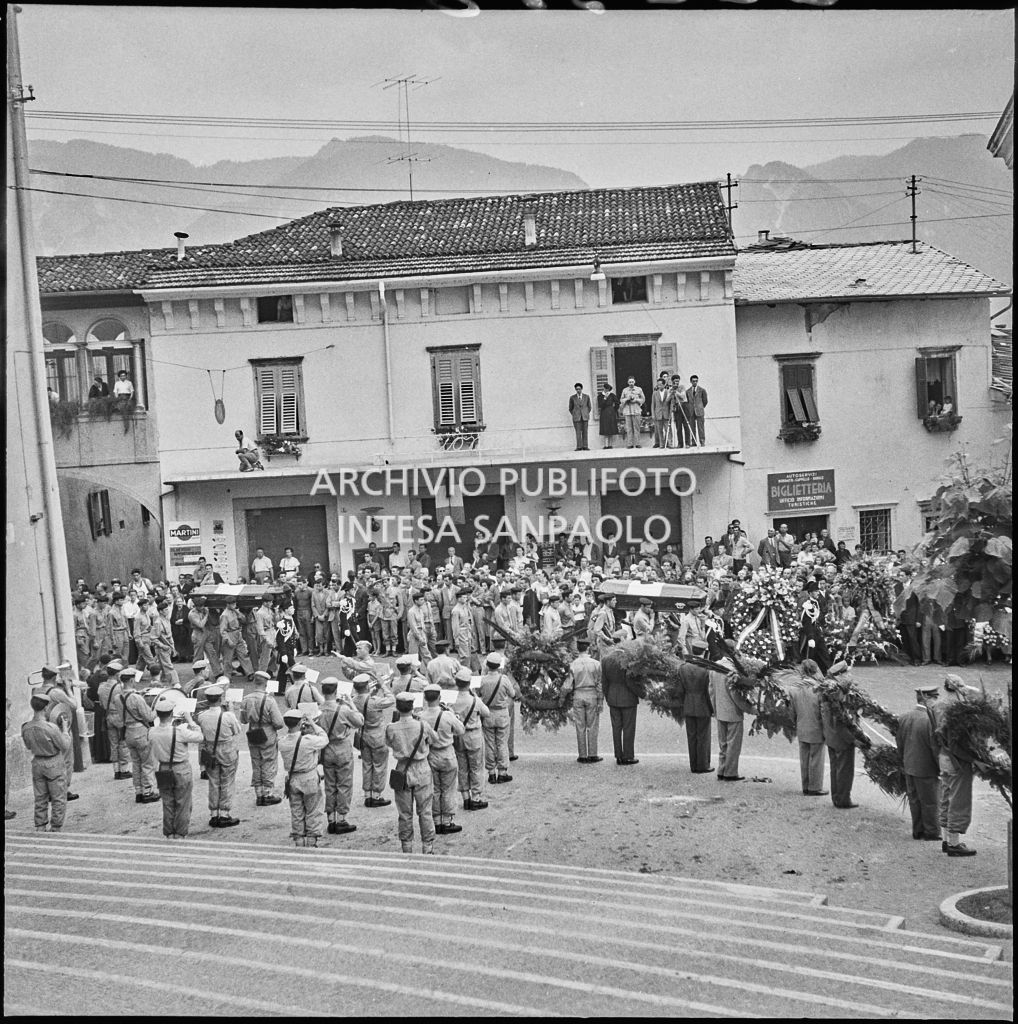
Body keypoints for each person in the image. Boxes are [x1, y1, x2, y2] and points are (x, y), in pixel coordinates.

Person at [385, 691, 440, 854]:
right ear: (412, 707)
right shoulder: (422, 725)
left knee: (404, 812)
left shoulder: (391, 727)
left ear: (397, 707)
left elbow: (388, 743)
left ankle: (406, 846)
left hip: (402, 768)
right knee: (425, 810)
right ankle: (427, 846)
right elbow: (435, 739)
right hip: (421, 768)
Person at [931, 674, 980, 856]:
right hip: (957, 758)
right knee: (958, 800)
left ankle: (945, 840)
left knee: (945, 796)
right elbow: (958, 740)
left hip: (943, 756)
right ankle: (954, 844)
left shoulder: (938, 705)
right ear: (958, 687)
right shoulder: (957, 708)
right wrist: (972, 757)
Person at [149, 697, 205, 839]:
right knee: (183, 802)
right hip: (180, 768)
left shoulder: (152, 732)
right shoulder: (180, 732)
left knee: (167, 802)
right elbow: (200, 737)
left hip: (163, 768)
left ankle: (169, 832)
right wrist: (191, 721)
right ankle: (180, 832)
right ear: (171, 714)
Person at [895, 684, 942, 841]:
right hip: (926, 768)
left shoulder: (904, 717)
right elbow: (934, 747)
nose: (936, 702)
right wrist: (940, 767)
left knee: (914, 800)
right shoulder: (930, 720)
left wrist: (903, 760)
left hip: (909, 765)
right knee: (930, 802)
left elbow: (899, 743)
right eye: (934, 698)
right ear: (927, 698)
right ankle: (932, 832)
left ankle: (918, 830)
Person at [819, 662, 869, 809]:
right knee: (844, 772)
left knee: (835, 769)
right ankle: (843, 799)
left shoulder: (826, 694)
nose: (849, 676)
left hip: (831, 738)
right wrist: (856, 740)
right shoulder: (837, 697)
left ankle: (837, 797)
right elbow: (842, 723)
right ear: (839, 676)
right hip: (842, 740)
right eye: (846, 673)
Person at [278, 708, 329, 847]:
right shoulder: (308, 740)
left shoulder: (282, 742)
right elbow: (324, 739)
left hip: (292, 779)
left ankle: (299, 840)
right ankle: (312, 840)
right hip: (309, 777)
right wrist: (313, 724)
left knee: (296, 811)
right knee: (313, 810)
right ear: (300, 722)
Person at [318, 676, 363, 835]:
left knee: (330, 784)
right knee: (344, 784)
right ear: (336, 691)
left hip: (326, 748)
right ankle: (341, 819)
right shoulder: (343, 710)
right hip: (342, 748)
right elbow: (359, 721)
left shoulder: (318, 709)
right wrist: (351, 704)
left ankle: (330, 818)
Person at [420, 681, 465, 834]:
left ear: (425, 699)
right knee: (448, 789)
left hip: (430, 754)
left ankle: (436, 819)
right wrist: (452, 714)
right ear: (439, 697)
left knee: (434, 789)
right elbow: (460, 730)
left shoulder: (420, 716)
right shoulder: (446, 715)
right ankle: (446, 820)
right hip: (446, 753)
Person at [22, 691, 71, 832]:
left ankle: (40, 826)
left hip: (37, 763)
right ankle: (55, 828)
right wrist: (65, 730)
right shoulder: (51, 728)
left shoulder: (26, 727)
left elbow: (28, 746)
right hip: (53, 762)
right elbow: (64, 746)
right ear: (46, 708)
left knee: (40, 797)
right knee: (58, 798)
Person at [197, 684, 242, 828]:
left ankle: (214, 813)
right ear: (221, 698)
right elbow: (237, 730)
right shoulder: (227, 716)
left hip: (210, 749)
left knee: (213, 782)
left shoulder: (202, 716)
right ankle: (224, 813)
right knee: (227, 781)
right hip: (226, 749)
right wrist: (232, 711)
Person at [708, 644, 755, 781]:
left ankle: (721, 770)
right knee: (733, 745)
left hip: (720, 710)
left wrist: (714, 709)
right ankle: (730, 773)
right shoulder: (733, 669)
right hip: (732, 712)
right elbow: (736, 696)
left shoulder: (715, 666)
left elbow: (711, 691)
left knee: (723, 744)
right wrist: (750, 709)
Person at [241, 669, 285, 807]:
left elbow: (243, 720)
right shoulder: (269, 700)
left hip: (253, 730)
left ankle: (258, 793)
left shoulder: (246, 699)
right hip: (267, 732)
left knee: (256, 762)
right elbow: (278, 723)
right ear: (266, 684)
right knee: (268, 762)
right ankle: (267, 793)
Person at [353, 673, 395, 808]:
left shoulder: (354, 700)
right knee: (379, 766)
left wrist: (373, 691)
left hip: (364, 735)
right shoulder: (375, 701)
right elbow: (391, 699)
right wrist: (383, 686)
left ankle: (367, 794)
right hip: (377, 736)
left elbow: (364, 700)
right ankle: (376, 794)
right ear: (366, 686)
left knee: (367, 765)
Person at [788, 659, 828, 796]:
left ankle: (805, 785)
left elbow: (791, 711)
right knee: (816, 758)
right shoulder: (820, 690)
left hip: (801, 726)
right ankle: (815, 787)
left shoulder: (793, 689)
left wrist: (794, 724)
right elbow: (823, 712)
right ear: (816, 670)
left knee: (804, 758)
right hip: (816, 727)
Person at [120, 669, 160, 803]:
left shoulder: (118, 697)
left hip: (128, 732)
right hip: (140, 732)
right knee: (147, 763)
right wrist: (157, 706)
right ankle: (148, 791)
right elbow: (149, 716)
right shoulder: (136, 698)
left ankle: (139, 791)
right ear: (131, 680)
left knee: (136, 763)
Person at [560, 637, 603, 762]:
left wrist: (561, 699)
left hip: (578, 695)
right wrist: (600, 700)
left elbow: (567, 685)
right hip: (592, 694)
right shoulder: (596, 664)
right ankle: (593, 754)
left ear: (578, 649)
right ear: (588, 648)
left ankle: (582, 755)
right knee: (592, 725)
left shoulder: (573, 664)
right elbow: (600, 684)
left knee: (580, 726)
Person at [478, 652, 518, 785]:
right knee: (502, 743)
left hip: (488, 714)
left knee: (489, 744)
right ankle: (502, 772)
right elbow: (512, 694)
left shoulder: (482, 680)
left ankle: (491, 773)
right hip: (501, 713)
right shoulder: (504, 679)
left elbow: (478, 695)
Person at [674, 646, 714, 773]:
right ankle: (703, 765)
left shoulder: (683, 668)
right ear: (704, 652)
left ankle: (694, 765)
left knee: (691, 736)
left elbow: (679, 690)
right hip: (702, 705)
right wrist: (712, 708)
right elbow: (709, 692)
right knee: (703, 736)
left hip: (688, 704)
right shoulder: (706, 669)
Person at [601, 640, 641, 765]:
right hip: (628, 698)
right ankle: (628, 755)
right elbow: (630, 682)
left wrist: (608, 697)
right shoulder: (629, 660)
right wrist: (642, 694)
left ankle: (618, 755)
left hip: (613, 697)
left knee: (616, 728)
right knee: (628, 728)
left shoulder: (606, 659)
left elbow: (604, 682)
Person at [97, 660, 132, 780]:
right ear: (118, 674)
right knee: (123, 743)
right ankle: (124, 769)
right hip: (119, 716)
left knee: (113, 744)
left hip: (108, 716)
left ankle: (116, 770)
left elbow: (101, 703)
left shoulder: (101, 687)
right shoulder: (119, 688)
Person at [619, 376, 646, 449]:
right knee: (629, 428)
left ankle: (637, 443)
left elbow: (643, 399)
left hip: (636, 410)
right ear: (628, 382)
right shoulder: (624, 390)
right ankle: (629, 444)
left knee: (636, 427)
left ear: (635, 382)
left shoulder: (639, 389)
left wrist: (636, 400)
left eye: (632, 382)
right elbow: (621, 400)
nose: (631, 383)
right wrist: (627, 399)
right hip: (628, 411)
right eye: (630, 382)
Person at [568, 382, 592, 451]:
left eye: (579, 389)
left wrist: (585, 413)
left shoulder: (586, 397)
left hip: (585, 417)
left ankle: (585, 446)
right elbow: (570, 408)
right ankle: (579, 446)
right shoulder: (572, 398)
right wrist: (575, 414)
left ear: (582, 389)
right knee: (578, 432)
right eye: (576, 389)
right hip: (576, 418)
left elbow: (589, 407)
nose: (578, 390)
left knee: (585, 431)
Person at [651, 376, 672, 448]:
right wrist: (653, 415)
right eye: (658, 385)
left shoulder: (668, 392)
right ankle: (661, 444)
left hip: (666, 413)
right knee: (659, 430)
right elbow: (653, 405)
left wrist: (670, 413)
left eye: (660, 384)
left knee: (668, 430)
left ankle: (669, 443)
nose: (659, 386)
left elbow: (670, 404)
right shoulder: (655, 393)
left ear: (664, 384)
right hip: (658, 414)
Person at [685, 375, 707, 445]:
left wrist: (700, 407)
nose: (695, 382)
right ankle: (694, 441)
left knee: (701, 427)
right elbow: (687, 401)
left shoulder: (702, 390)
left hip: (699, 411)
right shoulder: (688, 391)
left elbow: (705, 401)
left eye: (696, 381)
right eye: (693, 381)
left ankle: (702, 441)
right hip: (691, 411)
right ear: (691, 382)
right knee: (692, 427)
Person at [597, 382, 619, 449]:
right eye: (606, 389)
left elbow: (617, 403)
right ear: (603, 388)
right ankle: (606, 445)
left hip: (611, 413)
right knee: (605, 428)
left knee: (611, 428)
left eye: (608, 389)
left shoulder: (612, 395)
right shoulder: (600, 396)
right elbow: (600, 405)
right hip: (604, 412)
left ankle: (610, 445)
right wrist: (605, 398)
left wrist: (614, 410)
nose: (607, 390)